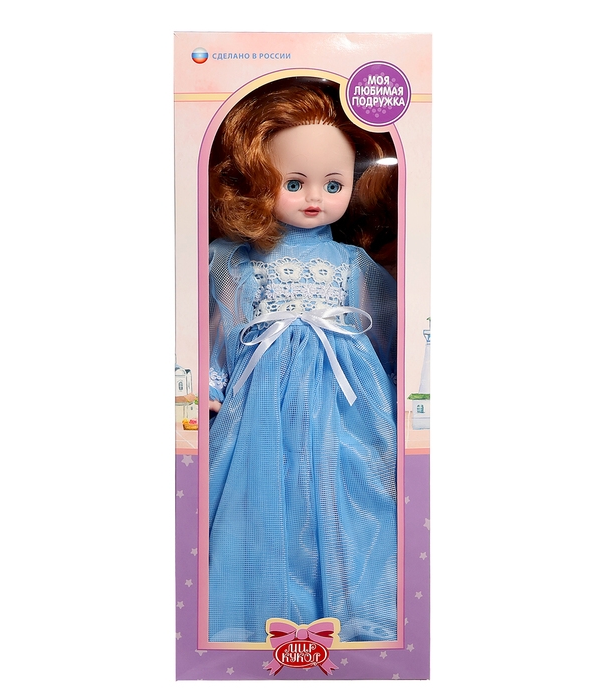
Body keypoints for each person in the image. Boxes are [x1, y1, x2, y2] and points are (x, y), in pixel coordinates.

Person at [207, 78, 398, 643]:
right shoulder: (238, 260)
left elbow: (385, 332)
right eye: (293, 183)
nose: (315, 197)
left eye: (333, 184)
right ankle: (255, 610)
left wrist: (397, 390)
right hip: (262, 396)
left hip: (345, 398)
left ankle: (353, 610)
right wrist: (213, 381)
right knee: (259, 492)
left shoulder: (353, 263)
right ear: (255, 182)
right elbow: (226, 326)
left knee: (352, 487)